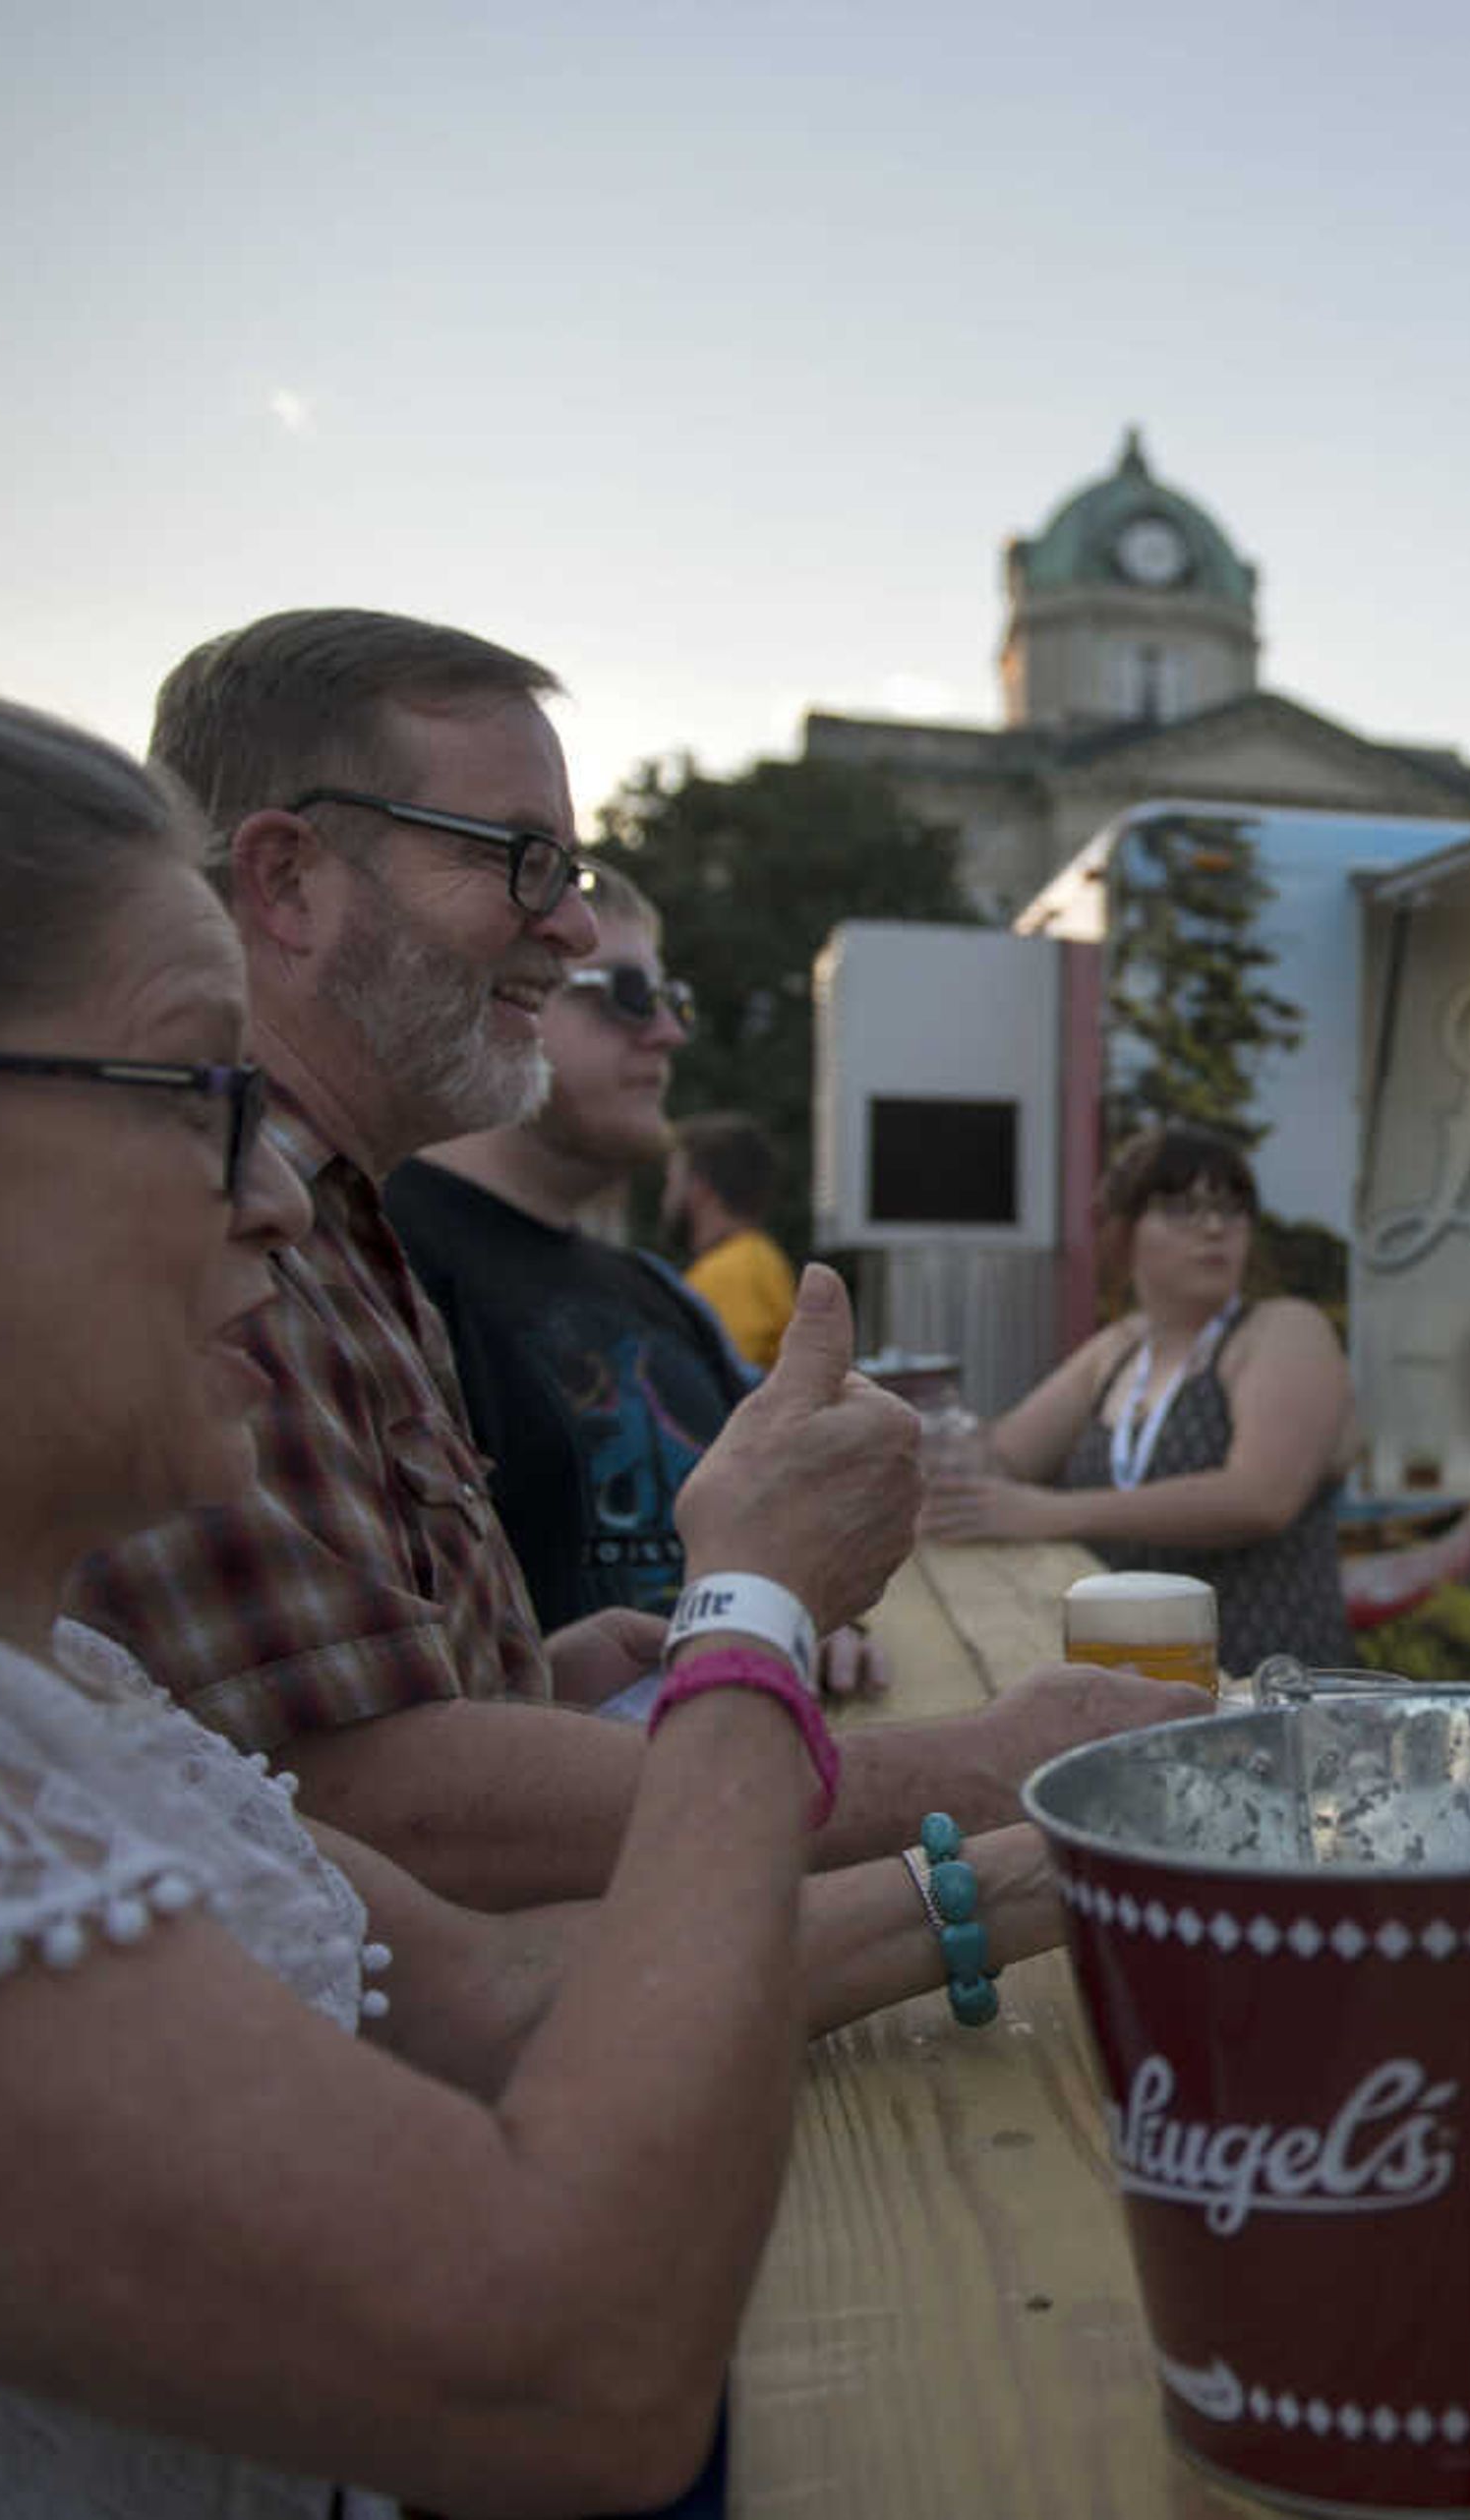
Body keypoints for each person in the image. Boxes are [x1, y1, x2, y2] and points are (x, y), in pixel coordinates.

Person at [0, 656, 1059, 2509]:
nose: (271, 1196)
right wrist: (754, 1618)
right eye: (188, 1095)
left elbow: (486, 2002)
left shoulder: (19, 1669)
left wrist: (1085, 1851)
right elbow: (570, 2360)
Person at [63, 610, 1205, 1908]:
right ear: (287, 883)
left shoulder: (343, 1217)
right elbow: (344, 1803)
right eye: (524, 861)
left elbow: (291, 1762)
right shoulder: (207, 1225)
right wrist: (977, 1760)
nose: (565, 931)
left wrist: (540, 1674)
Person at [388, 865, 883, 1703]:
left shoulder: (659, 1291)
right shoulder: (381, 1256)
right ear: (510, 990)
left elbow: (783, 1519)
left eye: (674, 1000)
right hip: (567, 1815)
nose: (668, 1034)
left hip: (753, 1774)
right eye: (625, 993)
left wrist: (825, 1618)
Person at [925, 1123, 1355, 1677]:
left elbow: (1261, 1497)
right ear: (1124, 1232)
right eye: (1181, 1207)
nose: (1214, 1227)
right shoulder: (1119, 1350)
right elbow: (1002, 1459)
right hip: (1129, 1685)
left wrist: (1052, 1514)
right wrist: (930, 1435)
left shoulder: (1284, 1329)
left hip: (1258, 1691)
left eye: (1233, 1208)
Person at [668, 1109, 799, 1371]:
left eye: (671, 1181)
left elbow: (724, 1388)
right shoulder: (757, 1258)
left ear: (700, 1188)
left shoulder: (730, 1273)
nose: (666, 1197)